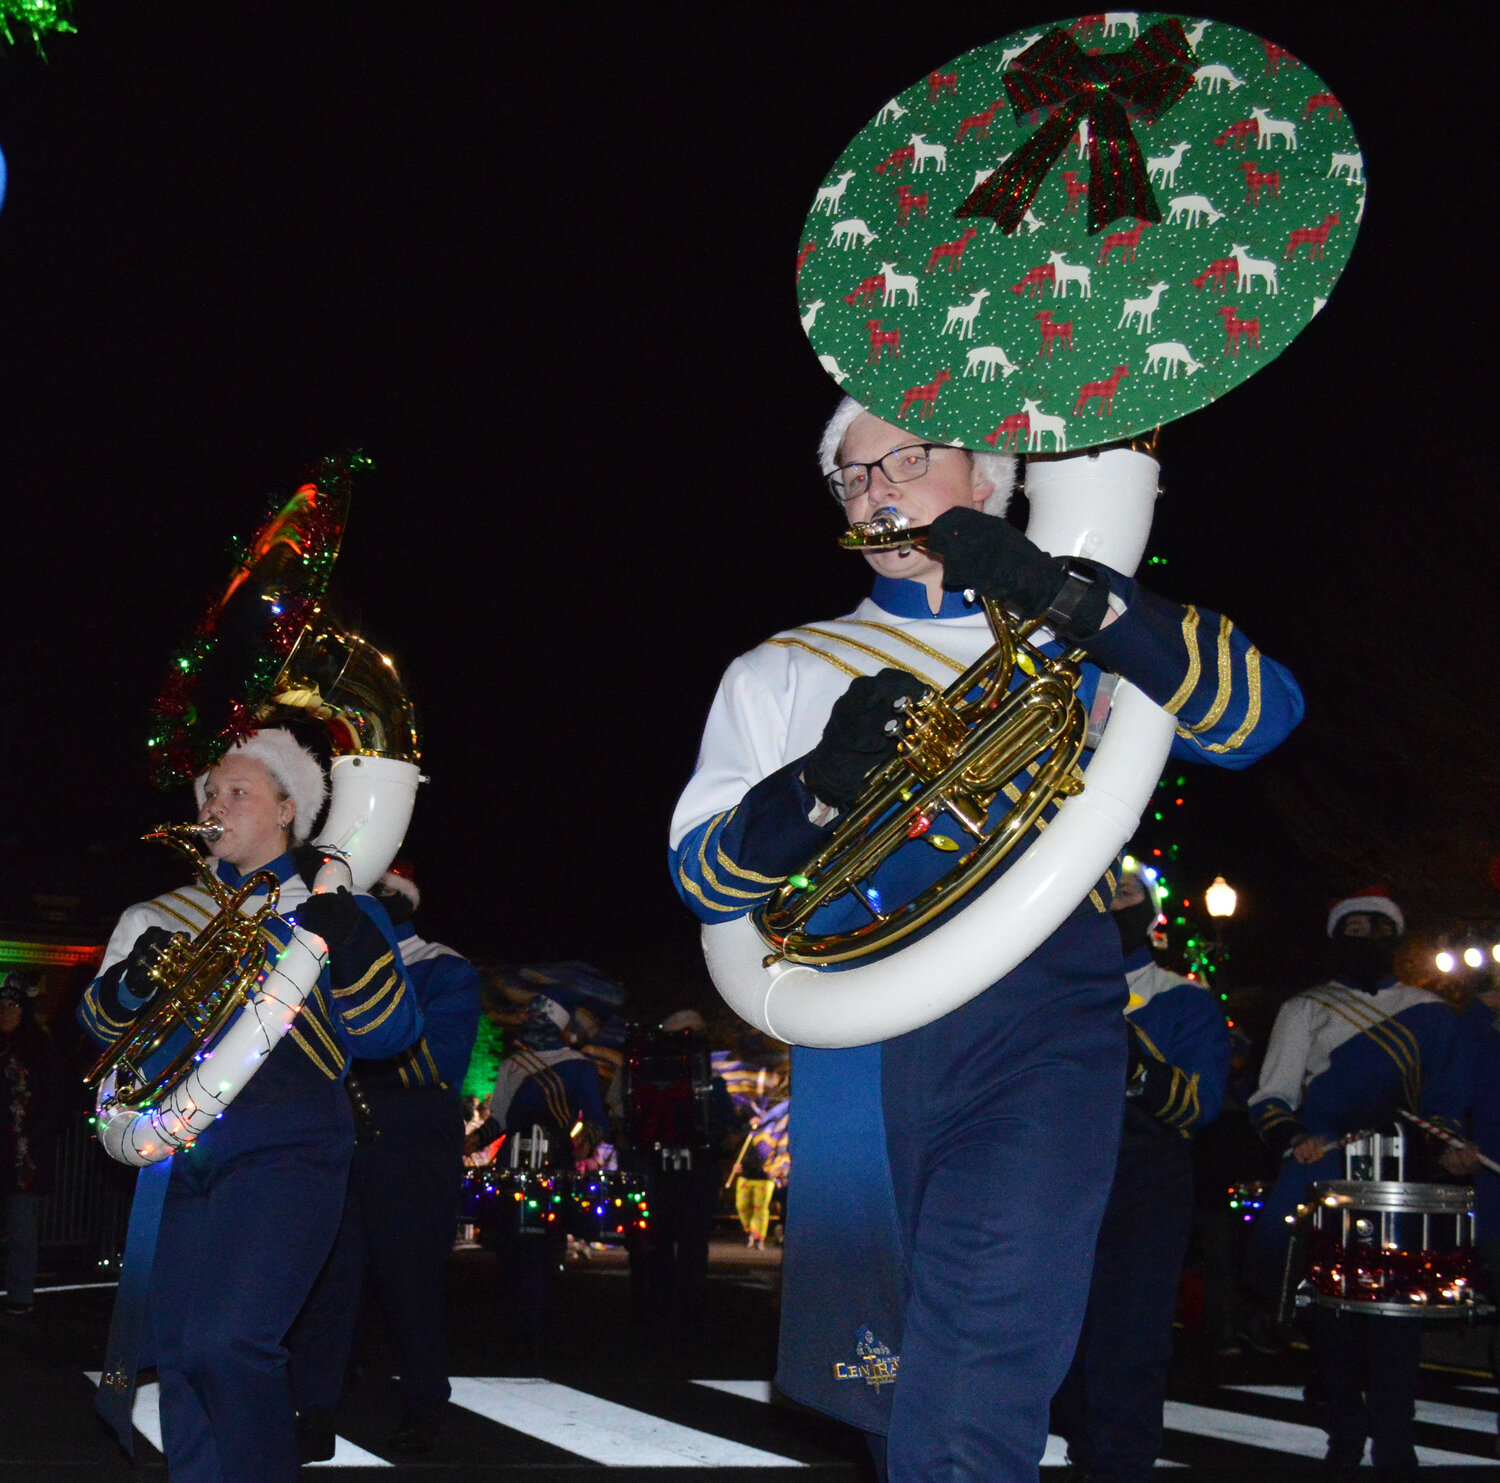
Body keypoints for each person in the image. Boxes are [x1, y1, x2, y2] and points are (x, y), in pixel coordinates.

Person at [670, 397, 1304, 1482]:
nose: (878, 487)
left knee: (979, 1388)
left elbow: (1263, 718)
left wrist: (1072, 600)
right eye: (854, 474)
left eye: (908, 459)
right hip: (856, 1035)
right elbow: (702, 876)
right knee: (886, 1386)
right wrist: (814, 790)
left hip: (1040, 1028)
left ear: (987, 480)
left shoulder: (1075, 639)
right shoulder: (779, 667)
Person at [78, 727, 422, 1483]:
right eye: (209, 792)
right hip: (174, 1160)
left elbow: (391, 1031)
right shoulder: (156, 914)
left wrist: (354, 945)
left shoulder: (334, 904)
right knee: (180, 1358)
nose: (215, 803)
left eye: (237, 792)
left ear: (288, 808)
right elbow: (98, 1031)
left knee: (227, 1343)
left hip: (288, 1146)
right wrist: (133, 985)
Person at [1246, 891, 1466, 1483]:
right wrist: (1295, 1138)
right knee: (1335, 1317)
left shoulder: (1431, 1012)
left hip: (1403, 1184)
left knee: (1398, 1319)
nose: (1363, 938)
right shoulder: (1306, 1008)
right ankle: (1344, 1429)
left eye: (1374, 929)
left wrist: (1449, 1144)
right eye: (1352, 929)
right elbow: (1273, 1093)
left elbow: (1446, 1100)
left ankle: (1397, 1445)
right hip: (1329, 1180)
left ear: (1393, 937)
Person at [288, 865, 481, 1460]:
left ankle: (425, 1405)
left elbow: (437, 1062)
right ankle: (313, 1410)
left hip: (408, 1139)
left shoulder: (445, 967)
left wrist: (351, 1052)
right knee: (327, 1279)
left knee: (410, 1278)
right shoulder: (315, 959)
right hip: (337, 1129)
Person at [1052, 869, 1231, 1481]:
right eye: (1098, 888)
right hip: (1054, 1169)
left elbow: (1199, 1105)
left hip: (1144, 1174)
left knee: (1131, 1331)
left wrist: (1131, 1064)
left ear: (1152, 914)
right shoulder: (1046, 989)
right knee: (1048, 1322)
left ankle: (1119, 1463)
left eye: (1125, 892)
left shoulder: (1184, 999)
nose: (1110, 898)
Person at [463, 990, 608, 1344]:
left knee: (545, 1247)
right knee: (510, 1246)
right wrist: (472, 1141)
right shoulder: (514, 1064)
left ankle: (534, 1324)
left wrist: (586, 1138)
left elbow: (596, 1119)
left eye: (538, 1018)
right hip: (510, 1165)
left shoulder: (579, 1066)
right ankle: (517, 1319)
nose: (530, 1023)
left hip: (554, 1164)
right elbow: (498, 1120)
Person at [0, 973, 64, 1319]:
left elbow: (54, 1100)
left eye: (12, 1006)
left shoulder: (39, 1047)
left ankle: (20, 1296)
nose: (6, 1012)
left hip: (24, 1154)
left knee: (23, 1230)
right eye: (1, 1006)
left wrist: (35, 1138)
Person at [731, 1111, 777, 1250]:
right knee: (742, 1205)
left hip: (764, 1177)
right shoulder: (748, 1128)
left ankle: (759, 1237)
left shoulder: (773, 1129)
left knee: (760, 1208)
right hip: (745, 1174)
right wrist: (735, 1164)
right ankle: (749, 1231)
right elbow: (735, 1144)